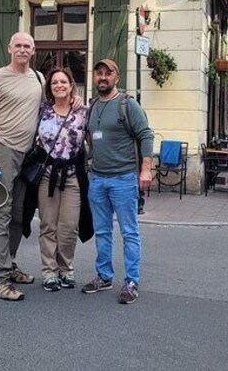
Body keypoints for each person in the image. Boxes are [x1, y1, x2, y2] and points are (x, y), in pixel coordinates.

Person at [0, 32, 82, 301]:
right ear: (10, 48)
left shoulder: (38, 79)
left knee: (18, 214)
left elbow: (54, 105)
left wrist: (76, 100)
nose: (23, 50)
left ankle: (9, 264)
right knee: (1, 214)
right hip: (3, 151)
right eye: (19, 45)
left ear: (33, 50)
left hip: (29, 156)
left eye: (28, 46)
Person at [81, 58, 154, 304]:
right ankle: (104, 276)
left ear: (117, 77)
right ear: (94, 78)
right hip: (98, 179)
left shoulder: (127, 104)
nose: (103, 77)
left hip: (123, 178)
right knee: (101, 231)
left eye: (108, 73)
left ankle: (131, 281)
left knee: (129, 232)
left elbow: (146, 134)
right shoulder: (91, 107)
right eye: (98, 73)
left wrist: (146, 169)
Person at [21, 68, 93, 292]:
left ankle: (66, 269)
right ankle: (49, 271)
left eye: (63, 82)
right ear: (49, 88)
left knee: (69, 226)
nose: (59, 85)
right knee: (47, 224)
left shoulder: (83, 111)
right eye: (54, 83)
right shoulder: (42, 110)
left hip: (72, 176)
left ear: (71, 85)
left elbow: (93, 142)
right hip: (47, 176)